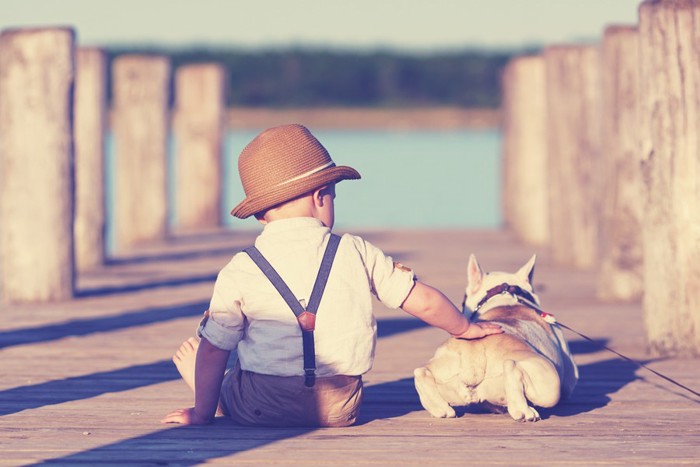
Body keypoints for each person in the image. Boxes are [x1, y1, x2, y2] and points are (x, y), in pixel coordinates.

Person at [161, 124, 502, 427]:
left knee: (227, 366)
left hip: (261, 406)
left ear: (262, 216)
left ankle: (213, 397)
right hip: (341, 408)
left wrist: (201, 415)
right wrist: (466, 328)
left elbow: (213, 349)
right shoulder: (356, 250)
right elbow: (423, 300)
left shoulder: (242, 267)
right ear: (321, 196)